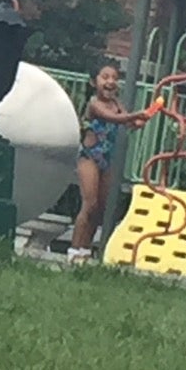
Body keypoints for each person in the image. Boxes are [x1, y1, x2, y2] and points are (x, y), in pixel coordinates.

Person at [68, 62, 151, 264]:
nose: (110, 81)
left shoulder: (117, 104)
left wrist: (141, 119)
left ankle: (85, 250)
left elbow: (130, 122)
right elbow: (114, 119)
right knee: (90, 203)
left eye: (114, 78)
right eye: (105, 77)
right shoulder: (94, 103)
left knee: (101, 207)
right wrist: (134, 115)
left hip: (107, 159)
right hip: (90, 156)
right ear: (94, 81)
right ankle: (74, 249)